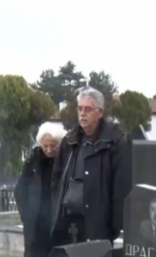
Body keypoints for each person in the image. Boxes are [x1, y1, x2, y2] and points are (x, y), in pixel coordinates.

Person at [51, 87, 131, 246]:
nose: (82, 113)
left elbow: (121, 186)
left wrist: (115, 225)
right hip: (69, 220)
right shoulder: (70, 140)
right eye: (79, 109)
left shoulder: (115, 142)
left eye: (88, 109)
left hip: (99, 224)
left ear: (99, 112)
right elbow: (57, 177)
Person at [15, 121, 67, 257]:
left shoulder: (66, 161)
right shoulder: (33, 161)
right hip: (39, 223)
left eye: (53, 145)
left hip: (60, 224)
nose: (50, 149)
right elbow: (20, 189)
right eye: (46, 146)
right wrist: (26, 215)